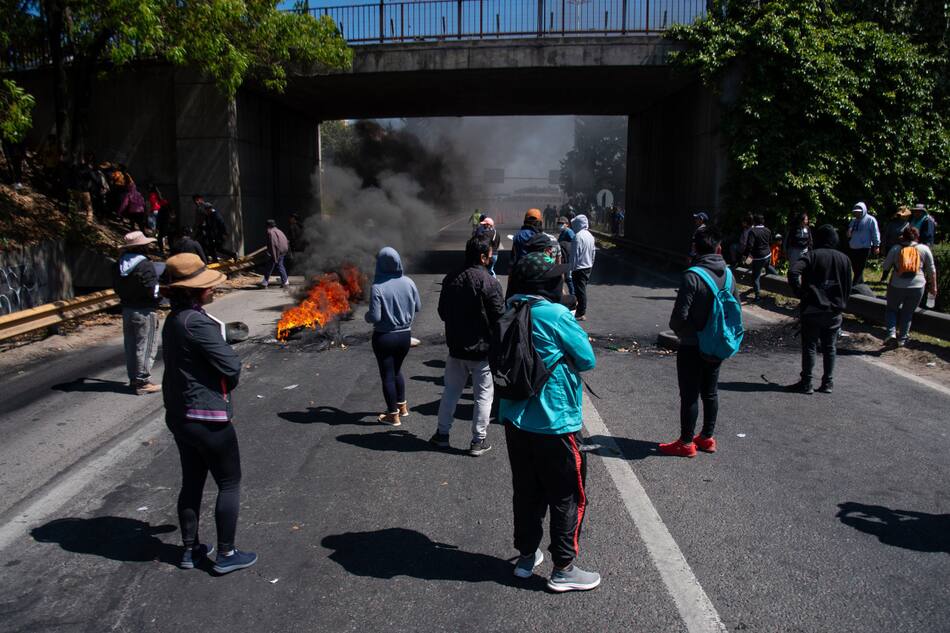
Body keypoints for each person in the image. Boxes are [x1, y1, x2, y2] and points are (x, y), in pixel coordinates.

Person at [500, 250, 599, 592]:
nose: (561, 280)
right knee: (566, 494)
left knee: (526, 491)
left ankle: (527, 557)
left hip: (515, 418)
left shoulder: (508, 309)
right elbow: (587, 360)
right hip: (554, 421)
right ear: (547, 284)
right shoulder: (555, 314)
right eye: (557, 276)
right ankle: (564, 568)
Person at [160, 253, 257, 574]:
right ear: (194, 290)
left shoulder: (175, 320)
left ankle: (190, 550)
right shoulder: (197, 322)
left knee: (192, 482)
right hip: (207, 418)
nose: (212, 289)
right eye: (207, 286)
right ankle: (226, 554)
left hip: (180, 416)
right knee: (229, 483)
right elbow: (230, 365)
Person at [660, 228, 735, 458]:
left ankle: (685, 442)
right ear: (718, 248)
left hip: (692, 344)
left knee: (690, 394)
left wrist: (683, 333)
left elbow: (679, 317)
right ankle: (707, 437)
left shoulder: (692, 276)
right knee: (710, 392)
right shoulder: (730, 276)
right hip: (718, 343)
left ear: (695, 249)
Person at [430, 235, 505, 455]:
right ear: (483, 257)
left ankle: (442, 434)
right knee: (483, 396)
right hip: (482, 351)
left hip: (456, 348)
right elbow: (499, 317)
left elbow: (443, 312)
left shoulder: (451, 278)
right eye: (490, 255)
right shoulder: (490, 282)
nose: (491, 258)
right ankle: (478, 441)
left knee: (450, 392)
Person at [786, 225, 853, 394]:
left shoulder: (812, 256)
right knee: (830, 346)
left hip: (813, 309)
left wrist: (800, 292)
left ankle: (807, 382)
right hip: (834, 310)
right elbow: (849, 284)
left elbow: (793, 271)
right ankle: (828, 383)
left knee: (810, 346)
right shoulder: (844, 259)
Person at [365, 247, 422, 425]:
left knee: (387, 375)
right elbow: (418, 306)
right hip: (405, 336)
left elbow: (375, 317)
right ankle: (402, 407)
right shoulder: (409, 282)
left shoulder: (377, 287)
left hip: (384, 337)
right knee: (397, 371)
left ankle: (392, 415)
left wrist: (367, 316)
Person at [113, 231, 162, 395]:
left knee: (131, 345)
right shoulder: (145, 264)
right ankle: (142, 382)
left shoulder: (119, 264)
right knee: (146, 345)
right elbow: (152, 287)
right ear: (141, 247)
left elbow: (115, 286)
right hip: (144, 310)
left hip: (127, 309)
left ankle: (134, 378)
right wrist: (157, 299)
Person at [881, 226, 937, 347]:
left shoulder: (896, 248)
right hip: (918, 286)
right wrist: (934, 287)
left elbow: (885, 267)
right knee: (908, 312)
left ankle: (891, 334)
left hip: (897, 285)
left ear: (903, 236)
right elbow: (932, 270)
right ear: (917, 236)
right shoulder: (924, 249)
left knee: (891, 309)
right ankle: (903, 339)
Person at [846, 201, 880, 285]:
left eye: (859, 212)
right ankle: (860, 283)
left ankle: (855, 284)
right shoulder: (853, 221)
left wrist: (876, 245)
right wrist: (849, 233)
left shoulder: (870, 220)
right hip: (853, 246)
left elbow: (875, 233)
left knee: (860, 267)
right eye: (855, 212)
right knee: (854, 267)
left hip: (864, 247)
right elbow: (849, 233)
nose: (857, 214)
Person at [740, 214, 772, 302]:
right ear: (763, 221)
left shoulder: (753, 231)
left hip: (759, 257)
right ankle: (777, 278)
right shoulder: (767, 230)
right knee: (768, 267)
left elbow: (749, 246)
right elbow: (770, 241)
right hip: (768, 254)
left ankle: (757, 296)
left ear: (754, 222)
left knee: (755, 276)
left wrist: (745, 255)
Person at [570, 214, 595, 320]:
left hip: (579, 267)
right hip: (588, 266)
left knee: (580, 291)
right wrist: (591, 263)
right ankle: (579, 309)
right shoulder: (590, 236)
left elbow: (574, 255)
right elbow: (593, 252)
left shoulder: (578, 237)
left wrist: (571, 269)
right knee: (582, 289)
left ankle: (580, 312)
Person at [195, 196, 234, 262]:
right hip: (211, 234)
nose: (206, 212)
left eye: (206, 210)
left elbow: (221, 224)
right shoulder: (209, 215)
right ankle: (215, 260)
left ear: (209, 209)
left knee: (218, 248)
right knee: (211, 247)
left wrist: (224, 233)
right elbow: (207, 224)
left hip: (217, 235)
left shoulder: (216, 215)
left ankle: (233, 254)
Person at [262, 219, 290, 289]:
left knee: (272, 266)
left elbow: (272, 244)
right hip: (283, 250)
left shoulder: (270, 232)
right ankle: (285, 282)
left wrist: (274, 256)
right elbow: (286, 241)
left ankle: (265, 283)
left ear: (268, 226)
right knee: (279, 265)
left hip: (277, 251)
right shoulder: (279, 231)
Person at [556, 216, 576, 296]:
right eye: (558, 223)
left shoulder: (569, 232)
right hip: (564, 257)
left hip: (568, 257)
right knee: (565, 278)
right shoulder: (563, 233)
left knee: (568, 278)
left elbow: (574, 242)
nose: (560, 225)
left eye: (561, 223)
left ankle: (573, 295)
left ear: (567, 224)